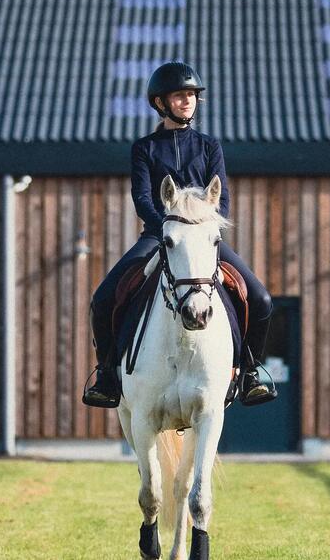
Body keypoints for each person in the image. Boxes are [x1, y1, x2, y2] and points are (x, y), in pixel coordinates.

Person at [82, 62, 277, 409]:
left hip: (202, 239)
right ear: (161, 102)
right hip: (158, 236)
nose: (187, 101)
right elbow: (142, 198)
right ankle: (108, 375)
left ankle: (249, 371)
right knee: (103, 299)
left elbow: (222, 199)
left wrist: (200, 232)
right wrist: (168, 231)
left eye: (191, 95)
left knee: (260, 299)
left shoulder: (209, 146)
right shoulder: (144, 148)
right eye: (180, 95)